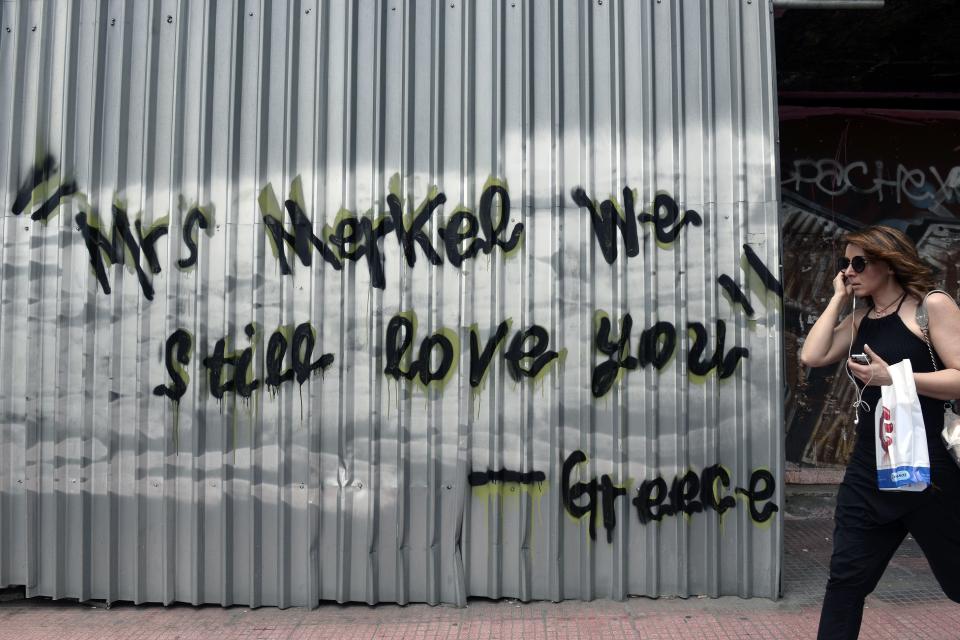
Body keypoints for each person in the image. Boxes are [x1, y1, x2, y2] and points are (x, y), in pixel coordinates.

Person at [799, 225, 960, 640]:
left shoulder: (931, 307)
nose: (848, 271)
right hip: (871, 471)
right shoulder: (859, 320)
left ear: (887, 263)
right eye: (844, 265)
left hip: (931, 472)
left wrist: (897, 377)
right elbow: (812, 355)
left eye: (858, 263)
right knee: (845, 581)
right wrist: (838, 297)